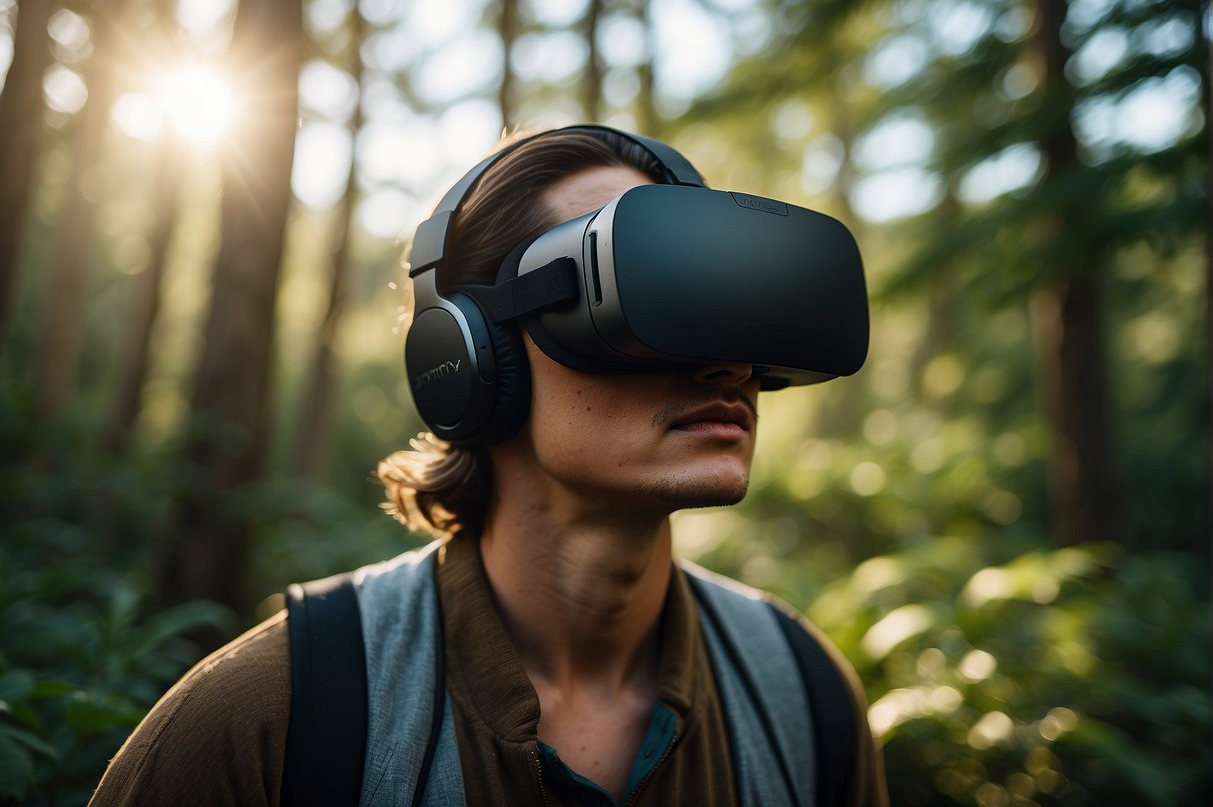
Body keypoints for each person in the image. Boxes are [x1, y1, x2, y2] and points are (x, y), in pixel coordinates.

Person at [90, 125, 888, 806]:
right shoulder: (277, 712)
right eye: (631, 302)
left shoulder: (804, 696)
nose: (727, 367)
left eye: (719, 306)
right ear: (471, 356)